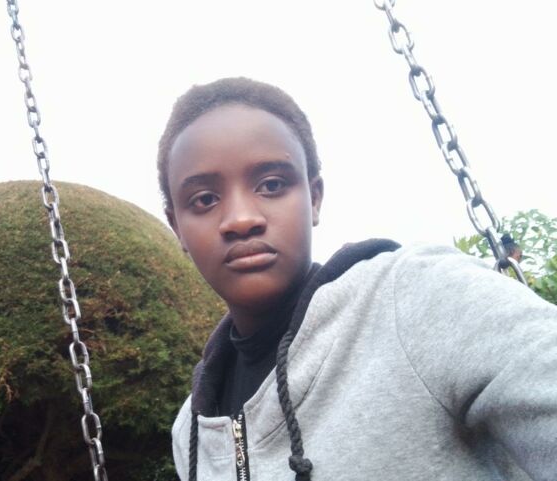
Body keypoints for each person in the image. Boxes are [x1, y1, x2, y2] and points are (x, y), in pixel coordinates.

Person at [157, 77, 557, 481]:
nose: (241, 219)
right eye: (205, 199)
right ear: (177, 227)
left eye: (272, 185)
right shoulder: (191, 431)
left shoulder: (420, 299)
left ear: (314, 198)